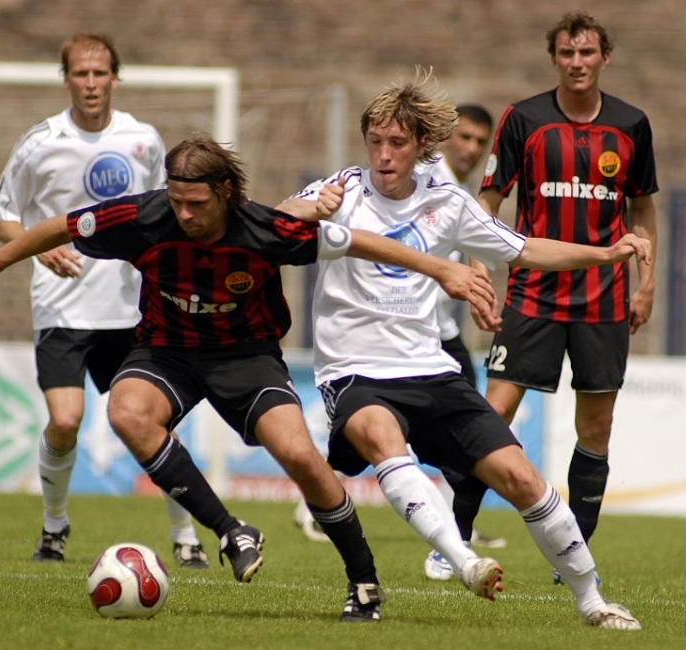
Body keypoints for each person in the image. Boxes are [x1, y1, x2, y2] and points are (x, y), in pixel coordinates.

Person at [0, 135, 499, 622]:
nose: (184, 214)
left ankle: (363, 581)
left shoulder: (263, 229)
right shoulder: (141, 217)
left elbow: (356, 241)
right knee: (126, 412)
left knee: (301, 457)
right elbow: (61, 225)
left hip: (247, 357)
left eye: (196, 203)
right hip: (167, 352)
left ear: (225, 193)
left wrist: (442, 267)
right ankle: (231, 530)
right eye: (177, 201)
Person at [277, 68, 648, 629]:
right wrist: (300, 212)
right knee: (382, 436)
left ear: (422, 145)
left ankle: (592, 600)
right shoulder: (342, 190)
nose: (383, 154)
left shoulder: (447, 201)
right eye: (374, 141)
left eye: (396, 143)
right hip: (354, 371)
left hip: (430, 371)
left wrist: (605, 254)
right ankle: (463, 559)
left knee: (523, 479)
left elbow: (521, 249)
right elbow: (268, 226)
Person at [0, 33, 209, 568]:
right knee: (65, 421)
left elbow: (167, 213)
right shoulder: (40, 142)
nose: (90, 83)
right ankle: (54, 529)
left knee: (155, 422)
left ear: (114, 77)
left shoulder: (143, 139)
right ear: (66, 79)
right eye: (80, 74)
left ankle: (185, 535)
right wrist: (37, 251)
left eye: (100, 73)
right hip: (61, 306)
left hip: (130, 308)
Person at [469, 11, 659, 586]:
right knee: (492, 412)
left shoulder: (632, 125)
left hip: (604, 296)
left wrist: (646, 283)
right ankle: (454, 535)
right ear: (554, 58)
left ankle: (571, 551)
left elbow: (644, 209)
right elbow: (487, 202)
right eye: (567, 53)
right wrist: (480, 272)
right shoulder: (524, 119)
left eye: (588, 53)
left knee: (594, 428)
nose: (577, 62)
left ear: (605, 57)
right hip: (533, 292)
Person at [418, 104, 507, 582]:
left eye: (480, 141)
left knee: (468, 429)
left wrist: (478, 278)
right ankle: (319, 508)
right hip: (409, 337)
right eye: (464, 138)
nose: (471, 148)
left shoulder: (465, 190)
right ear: (447, 138)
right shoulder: (427, 180)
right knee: (370, 433)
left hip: (444, 335)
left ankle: (455, 533)